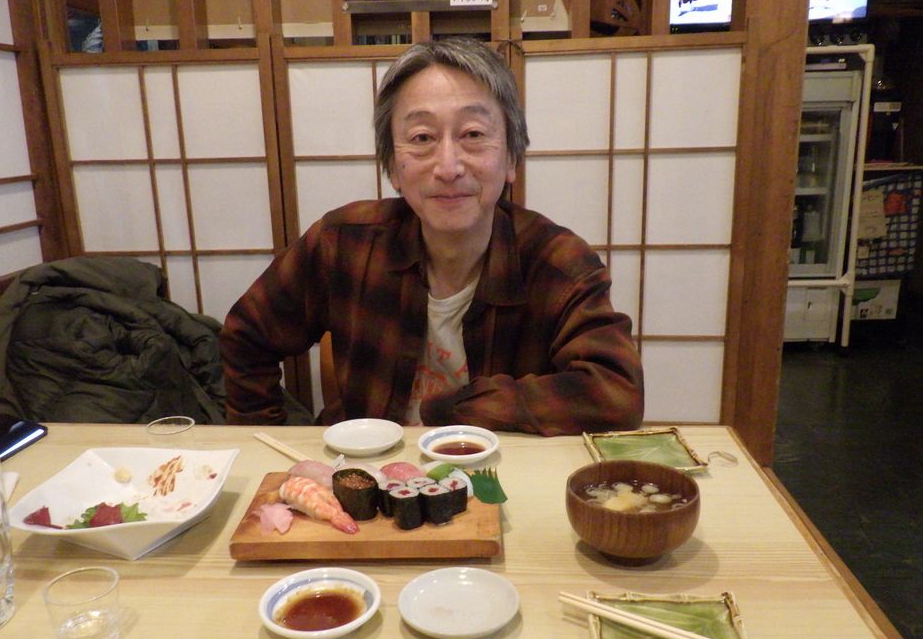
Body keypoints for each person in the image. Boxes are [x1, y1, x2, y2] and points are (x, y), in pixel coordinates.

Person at [220, 37, 643, 436]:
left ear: (512, 157)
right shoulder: (343, 243)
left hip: (497, 476)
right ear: (393, 166)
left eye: (473, 134)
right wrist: (267, 439)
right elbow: (246, 335)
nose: (448, 167)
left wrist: (454, 411)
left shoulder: (558, 263)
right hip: (367, 475)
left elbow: (616, 394)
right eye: (422, 138)